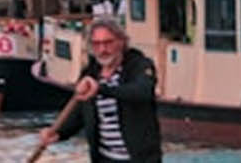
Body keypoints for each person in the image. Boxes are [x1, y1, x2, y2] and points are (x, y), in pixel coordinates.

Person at [38, 18, 161, 162]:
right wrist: (59, 133)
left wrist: (100, 89)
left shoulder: (139, 66)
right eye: (96, 44)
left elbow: (142, 91)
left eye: (108, 43)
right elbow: (80, 113)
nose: (102, 50)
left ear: (121, 42)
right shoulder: (90, 74)